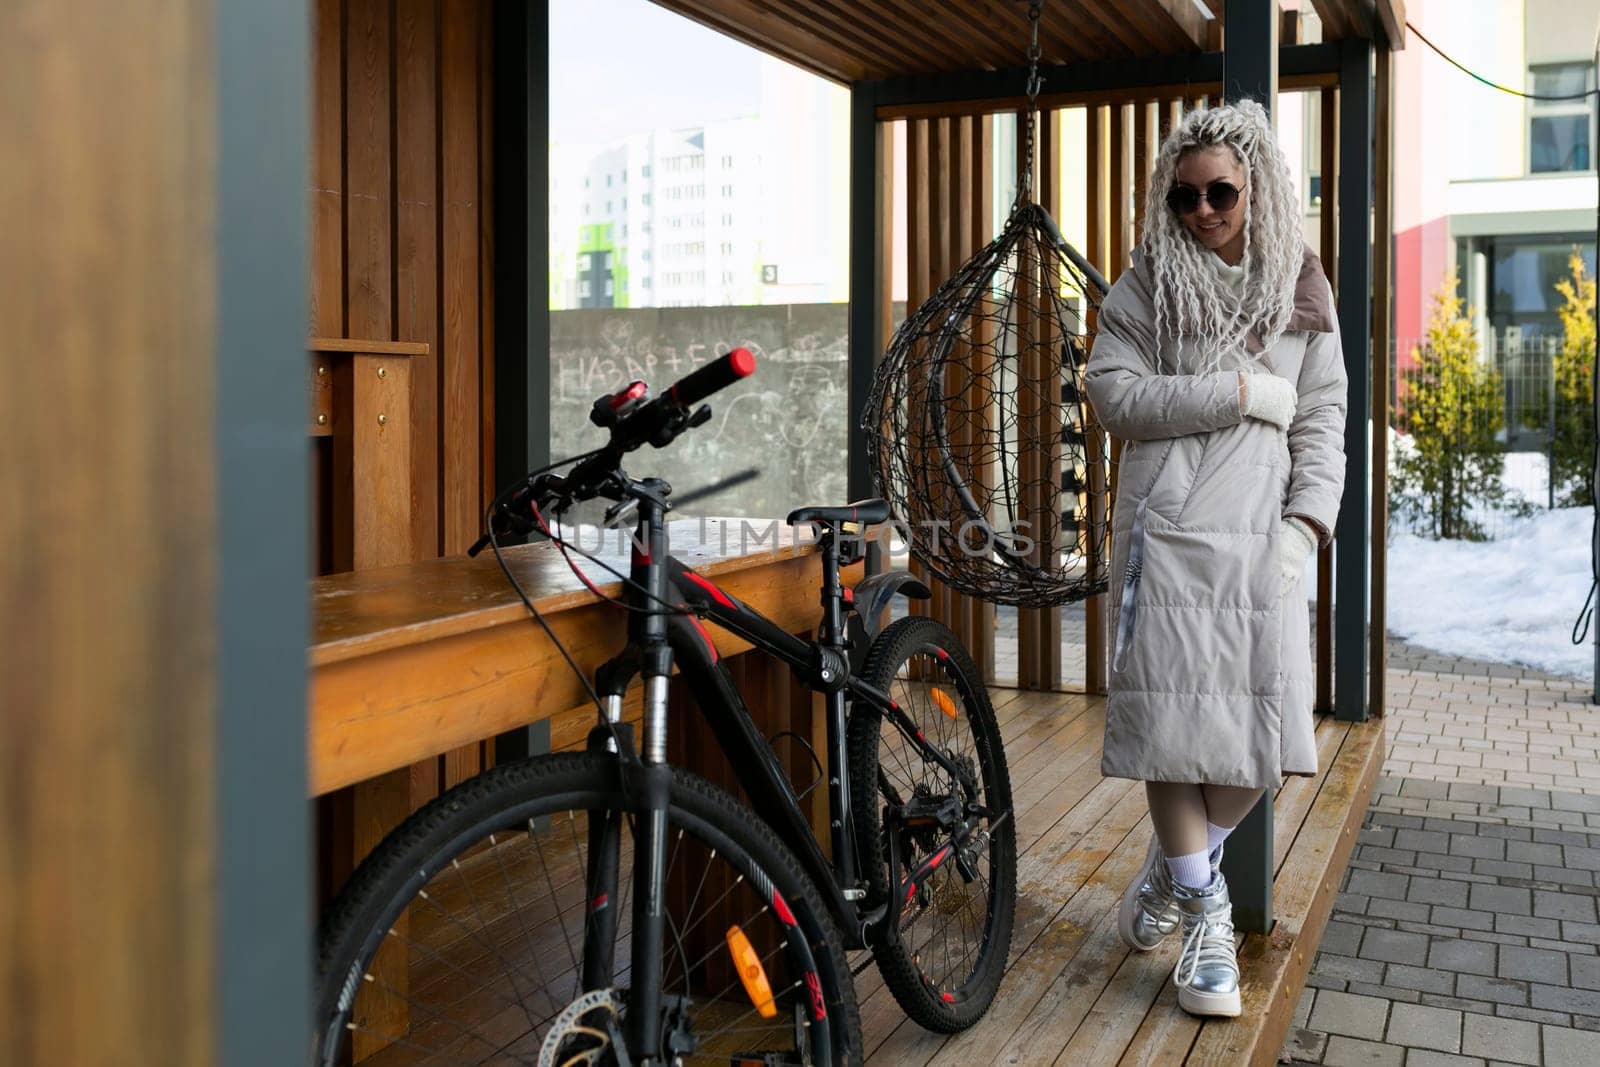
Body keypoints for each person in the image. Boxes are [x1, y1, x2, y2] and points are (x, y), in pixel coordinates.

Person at [1082, 99, 1349, 1018]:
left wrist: (1304, 529)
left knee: (1254, 741)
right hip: (1167, 534)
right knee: (1171, 725)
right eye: (1187, 196)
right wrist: (1237, 392)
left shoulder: (1303, 293)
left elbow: (1323, 422)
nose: (1204, 212)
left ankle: (1172, 863)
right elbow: (1113, 394)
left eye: (1222, 192)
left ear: (1258, 189)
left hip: (1261, 543)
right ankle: (1205, 918)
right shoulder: (1148, 286)